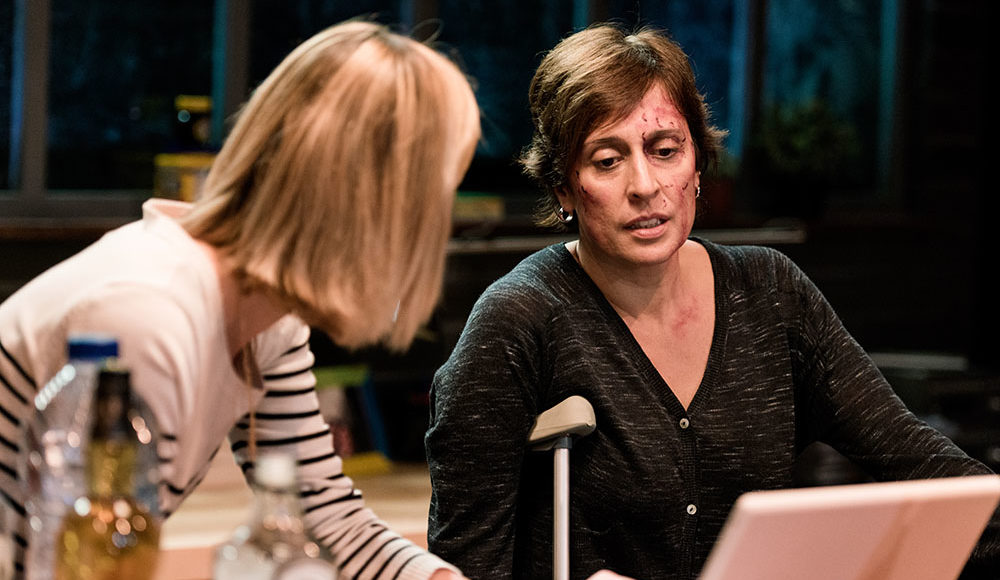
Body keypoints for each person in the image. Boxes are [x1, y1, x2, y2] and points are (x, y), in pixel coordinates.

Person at [424, 23, 999, 579]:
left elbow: (919, 462)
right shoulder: (518, 320)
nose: (644, 185)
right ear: (563, 187)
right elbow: (465, 566)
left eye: (664, 150)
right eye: (607, 160)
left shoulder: (770, 291)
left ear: (697, 162)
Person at [0, 20, 480, 580]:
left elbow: (327, 521)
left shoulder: (267, 319)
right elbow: (73, 562)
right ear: (379, 205)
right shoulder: (149, 318)